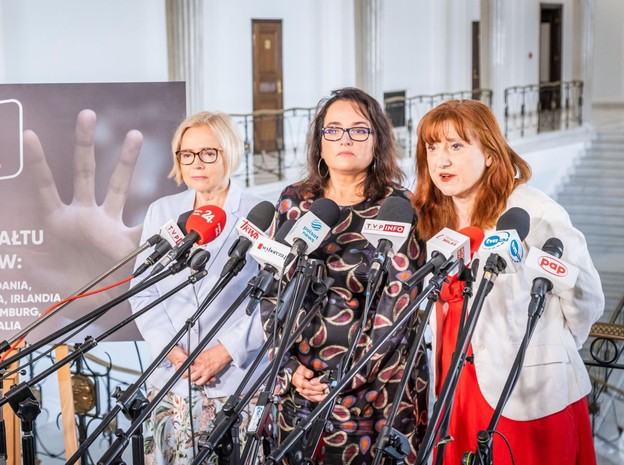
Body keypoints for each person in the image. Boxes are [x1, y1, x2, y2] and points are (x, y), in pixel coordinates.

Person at [412, 99, 604, 465]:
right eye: (432, 148)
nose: (441, 161)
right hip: (456, 388)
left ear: (489, 153)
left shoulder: (532, 210)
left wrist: (550, 351)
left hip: (527, 393)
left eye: (456, 146)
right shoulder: (438, 216)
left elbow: (586, 297)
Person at [263, 87, 428, 464]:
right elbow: (271, 288)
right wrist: (289, 368)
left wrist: (345, 378)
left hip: (374, 392)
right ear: (320, 143)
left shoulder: (397, 207)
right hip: (299, 390)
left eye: (358, 130)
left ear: (377, 140)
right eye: (333, 129)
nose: (345, 139)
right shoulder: (295, 202)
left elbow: (398, 308)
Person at [128, 111, 269, 465]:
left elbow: (275, 297)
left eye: (208, 152)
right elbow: (143, 289)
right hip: (171, 378)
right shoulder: (162, 212)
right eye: (187, 154)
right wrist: (171, 350)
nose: (197, 163)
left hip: (238, 378)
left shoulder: (261, 213)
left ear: (229, 152)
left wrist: (226, 350)